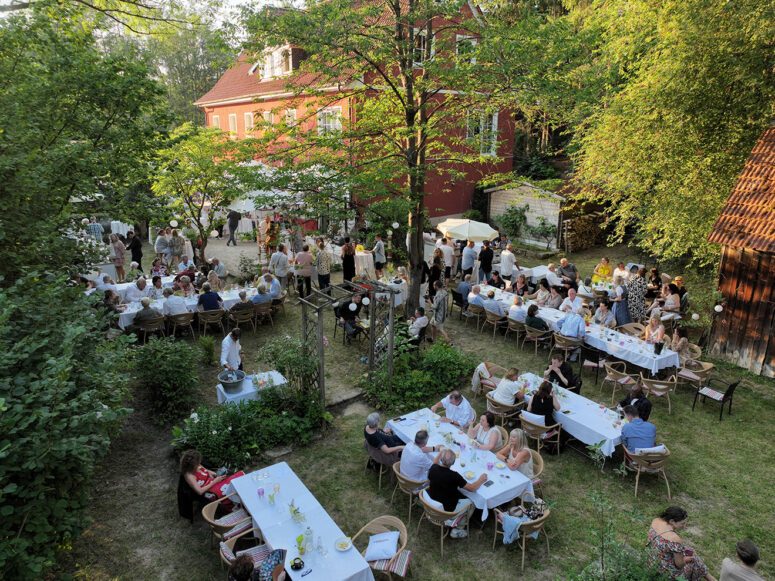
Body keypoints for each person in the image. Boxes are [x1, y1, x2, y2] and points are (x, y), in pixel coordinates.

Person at [427, 449, 487, 539]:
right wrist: (481, 479)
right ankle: (458, 529)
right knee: (473, 502)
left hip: (432, 505)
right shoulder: (454, 476)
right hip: (446, 511)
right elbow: (472, 488)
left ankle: (456, 524)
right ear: (454, 462)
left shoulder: (433, 468)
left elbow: (435, 462)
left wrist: (441, 452)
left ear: (441, 459)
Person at [647, 507, 716, 581]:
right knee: (694, 559)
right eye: (682, 523)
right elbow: (679, 565)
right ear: (672, 521)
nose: (685, 526)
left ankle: (709, 578)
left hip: (652, 564)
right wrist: (686, 559)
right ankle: (710, 578)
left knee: (690, 551)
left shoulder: (655, 521)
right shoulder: (674, 539)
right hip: (666, 574)